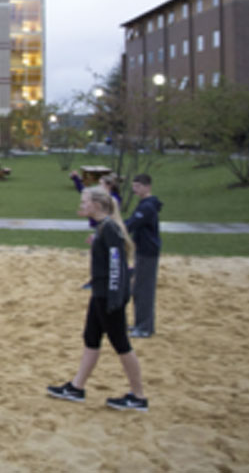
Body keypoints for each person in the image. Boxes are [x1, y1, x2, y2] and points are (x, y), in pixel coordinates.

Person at [47, 186, 149, 412]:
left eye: (85, 201)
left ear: (97, 205)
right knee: (91, 337)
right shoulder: (105, 229)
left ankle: (139, 396)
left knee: (121, 343)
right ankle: (76, 387)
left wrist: (114, 297)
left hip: (108, 296)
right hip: (100, 292)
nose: (81, 205)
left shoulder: (110, 229)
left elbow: (116, 265)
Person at [126, 174, 163, 338]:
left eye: (138, 186)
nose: (135, 189)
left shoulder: (147, 207)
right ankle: (140, 324)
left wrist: (114, 228)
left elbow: (132, 224)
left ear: (147, 187)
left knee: (144, 290)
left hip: (148, 252)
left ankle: (145, 327)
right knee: (139, 288)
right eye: (134, 186)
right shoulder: (145, 204)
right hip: (143, 250)